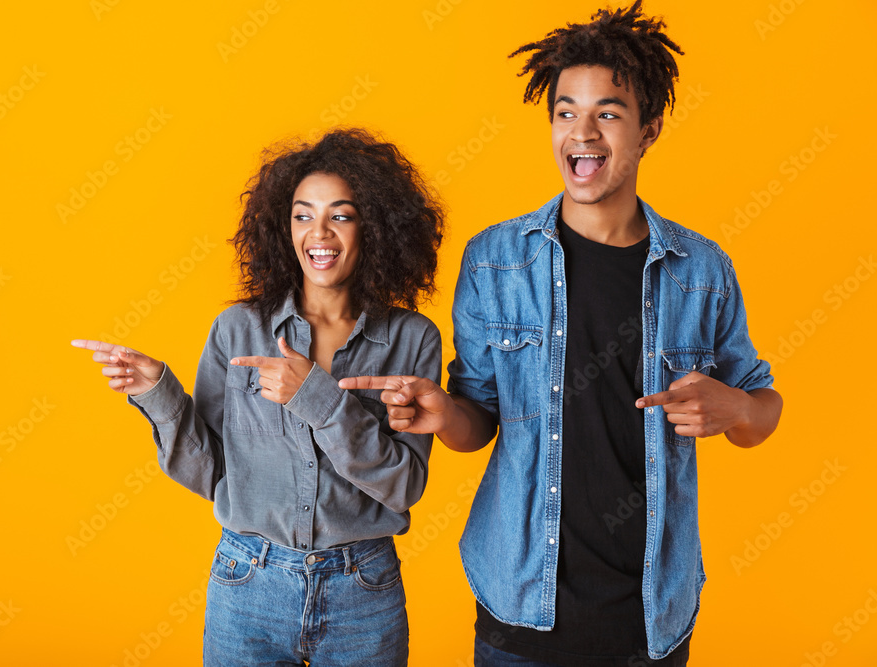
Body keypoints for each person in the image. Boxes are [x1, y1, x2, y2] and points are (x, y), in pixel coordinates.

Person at [339, 3, 783, 666]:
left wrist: (739, 408)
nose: (583, 131)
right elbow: (478, 419)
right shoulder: (495, 259)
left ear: (648, 130)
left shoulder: (703, 269)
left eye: (608, 112)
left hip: (652, 612)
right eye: (566, 111)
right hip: (520, 602)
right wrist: (441, 411)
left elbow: (761, 407)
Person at [72, 128, 444, 666]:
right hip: (249, 583)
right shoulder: (237, 331)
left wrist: (317, 399)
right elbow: (211, 473)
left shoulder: (413, 339)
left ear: (374, 226)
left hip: (363, 588)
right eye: (302, 215)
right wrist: (158, 391)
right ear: (281, 226)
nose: (320, 232)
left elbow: (403, 487)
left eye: (341, 215)